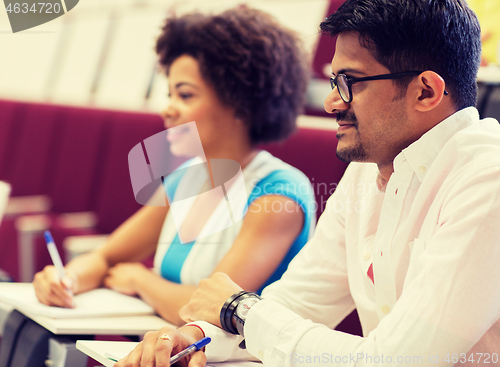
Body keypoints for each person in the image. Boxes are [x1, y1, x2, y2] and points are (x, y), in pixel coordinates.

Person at [115, 0, 500, 366]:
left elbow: (399, 360)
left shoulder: (488, 179)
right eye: (334, 81)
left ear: (426, 92)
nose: (333, 101)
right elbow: (297, 302)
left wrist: (239, 308)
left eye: (350, 81)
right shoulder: (368, 170)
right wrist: (195, 336)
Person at [32, 7, 315, 326]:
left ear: (240, 102)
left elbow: (212, 308)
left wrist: (141, 280)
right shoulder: (187, 178)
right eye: (170, 94)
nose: (168, 109)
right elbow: (106, 258)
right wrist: (64, 280)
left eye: (185, 95)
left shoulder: (280, 195)